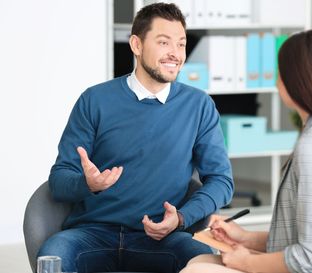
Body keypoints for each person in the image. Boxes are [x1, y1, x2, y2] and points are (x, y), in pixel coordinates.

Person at [38, 3, 234, 273]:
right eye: (164, 42)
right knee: (53, 255)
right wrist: (89, 184)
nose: (175, 54)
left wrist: (181, 217)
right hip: (92, 234)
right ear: (136, 45)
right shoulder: (94, 100)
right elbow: (59, 181)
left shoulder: (198, 105)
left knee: (207, 262)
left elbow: (222, 181)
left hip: (161, 238)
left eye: (181, 44)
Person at [181, 30, 312, 273]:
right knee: (199, 262)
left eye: (280, 71)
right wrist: (245, 238)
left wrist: (246, 261)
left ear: (294, 80)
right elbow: (311, 236)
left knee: (197, 269)